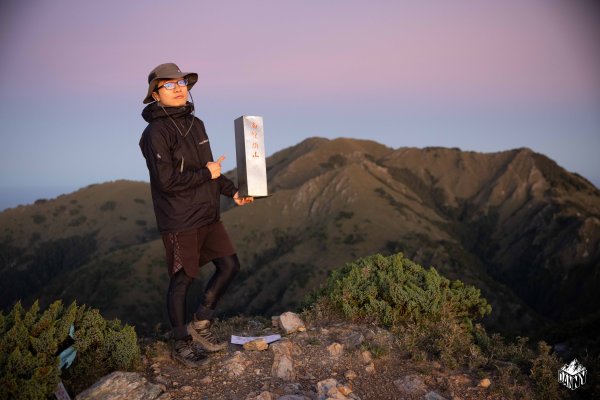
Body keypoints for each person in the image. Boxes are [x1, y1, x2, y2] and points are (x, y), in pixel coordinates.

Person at [139, 63, 253, 367]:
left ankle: (200, 324)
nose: (178, 89)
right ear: (155, 94)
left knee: (229, 265)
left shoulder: (196, 123)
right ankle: (180, 342)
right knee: (182, 280)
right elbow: (167, 182)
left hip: (207, 212)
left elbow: (210, 167)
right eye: (169, 85)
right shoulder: (154, 133)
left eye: (181, 83)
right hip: (179, 218)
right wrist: (206, 172)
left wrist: (233, 191)